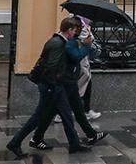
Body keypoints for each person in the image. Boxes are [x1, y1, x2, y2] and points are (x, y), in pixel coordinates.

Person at [6, 17, 92, 158]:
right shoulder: (58, 43)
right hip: (52, 87)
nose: (75, 33)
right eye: (74, 30)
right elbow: (51, 66)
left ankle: (73, 144)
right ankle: (15, 142)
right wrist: (54, 85)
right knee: (38, 117)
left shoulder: (57, 41)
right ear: (69, 30)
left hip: (52, 86)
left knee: (65, 116)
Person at [29, 16, 106, 150]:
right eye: (76, 29)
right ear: (71, 29)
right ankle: (33, 138)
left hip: (68, 81)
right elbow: (75, 56)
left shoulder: (72, 38)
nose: (77, 31)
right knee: (52, 114)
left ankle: (90, 135)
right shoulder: (66, 41)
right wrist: (86, 44)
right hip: (63, 82)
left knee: (76, 109)